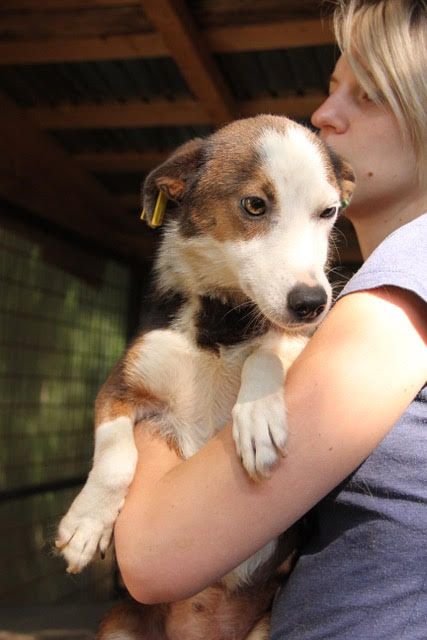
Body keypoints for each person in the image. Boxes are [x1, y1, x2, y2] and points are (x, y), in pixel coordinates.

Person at [114, 0, 427, 636]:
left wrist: (143, 401)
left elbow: (152, 555)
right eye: (331, 87)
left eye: (365, 96)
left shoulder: (403, 289)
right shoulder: (374, 281)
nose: (322, 115)